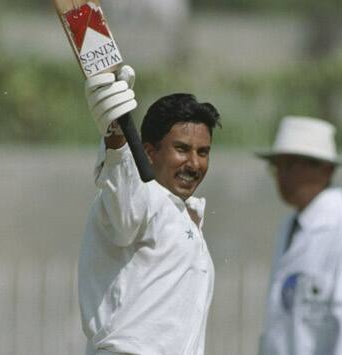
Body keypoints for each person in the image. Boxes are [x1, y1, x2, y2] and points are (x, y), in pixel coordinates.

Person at [78, 65, 221, 355]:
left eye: (202, 152)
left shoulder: (183, 213)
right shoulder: (138, 200)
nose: (194, 164)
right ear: (149, 152)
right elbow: (124, 188)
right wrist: (115, 134)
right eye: (181, 149)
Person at [256, 116, 342, 355]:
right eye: (277, 166)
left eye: (291, 165)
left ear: (325, 169)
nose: (282, 176)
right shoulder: (290, 228)